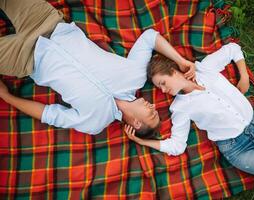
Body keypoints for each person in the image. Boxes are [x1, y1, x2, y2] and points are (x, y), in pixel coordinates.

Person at [124, 42, 254, 194]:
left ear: (173, 70)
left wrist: (244, 76)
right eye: (159, 88)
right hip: (238, 150)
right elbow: (177, 146)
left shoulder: (205, 68)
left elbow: (233, 49)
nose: (163, 90)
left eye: (162, 83)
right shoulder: (179, 108)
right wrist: (142, 141)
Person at [0, 0, 195, 135]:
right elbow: (150, 38)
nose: (152, 106)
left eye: (151, 113)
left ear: (136, 123)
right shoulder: (136, 76)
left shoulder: (94, 123)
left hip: (26, 58)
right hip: (48, 23)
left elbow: (47, 114)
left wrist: (7, 97)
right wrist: (180, 61)